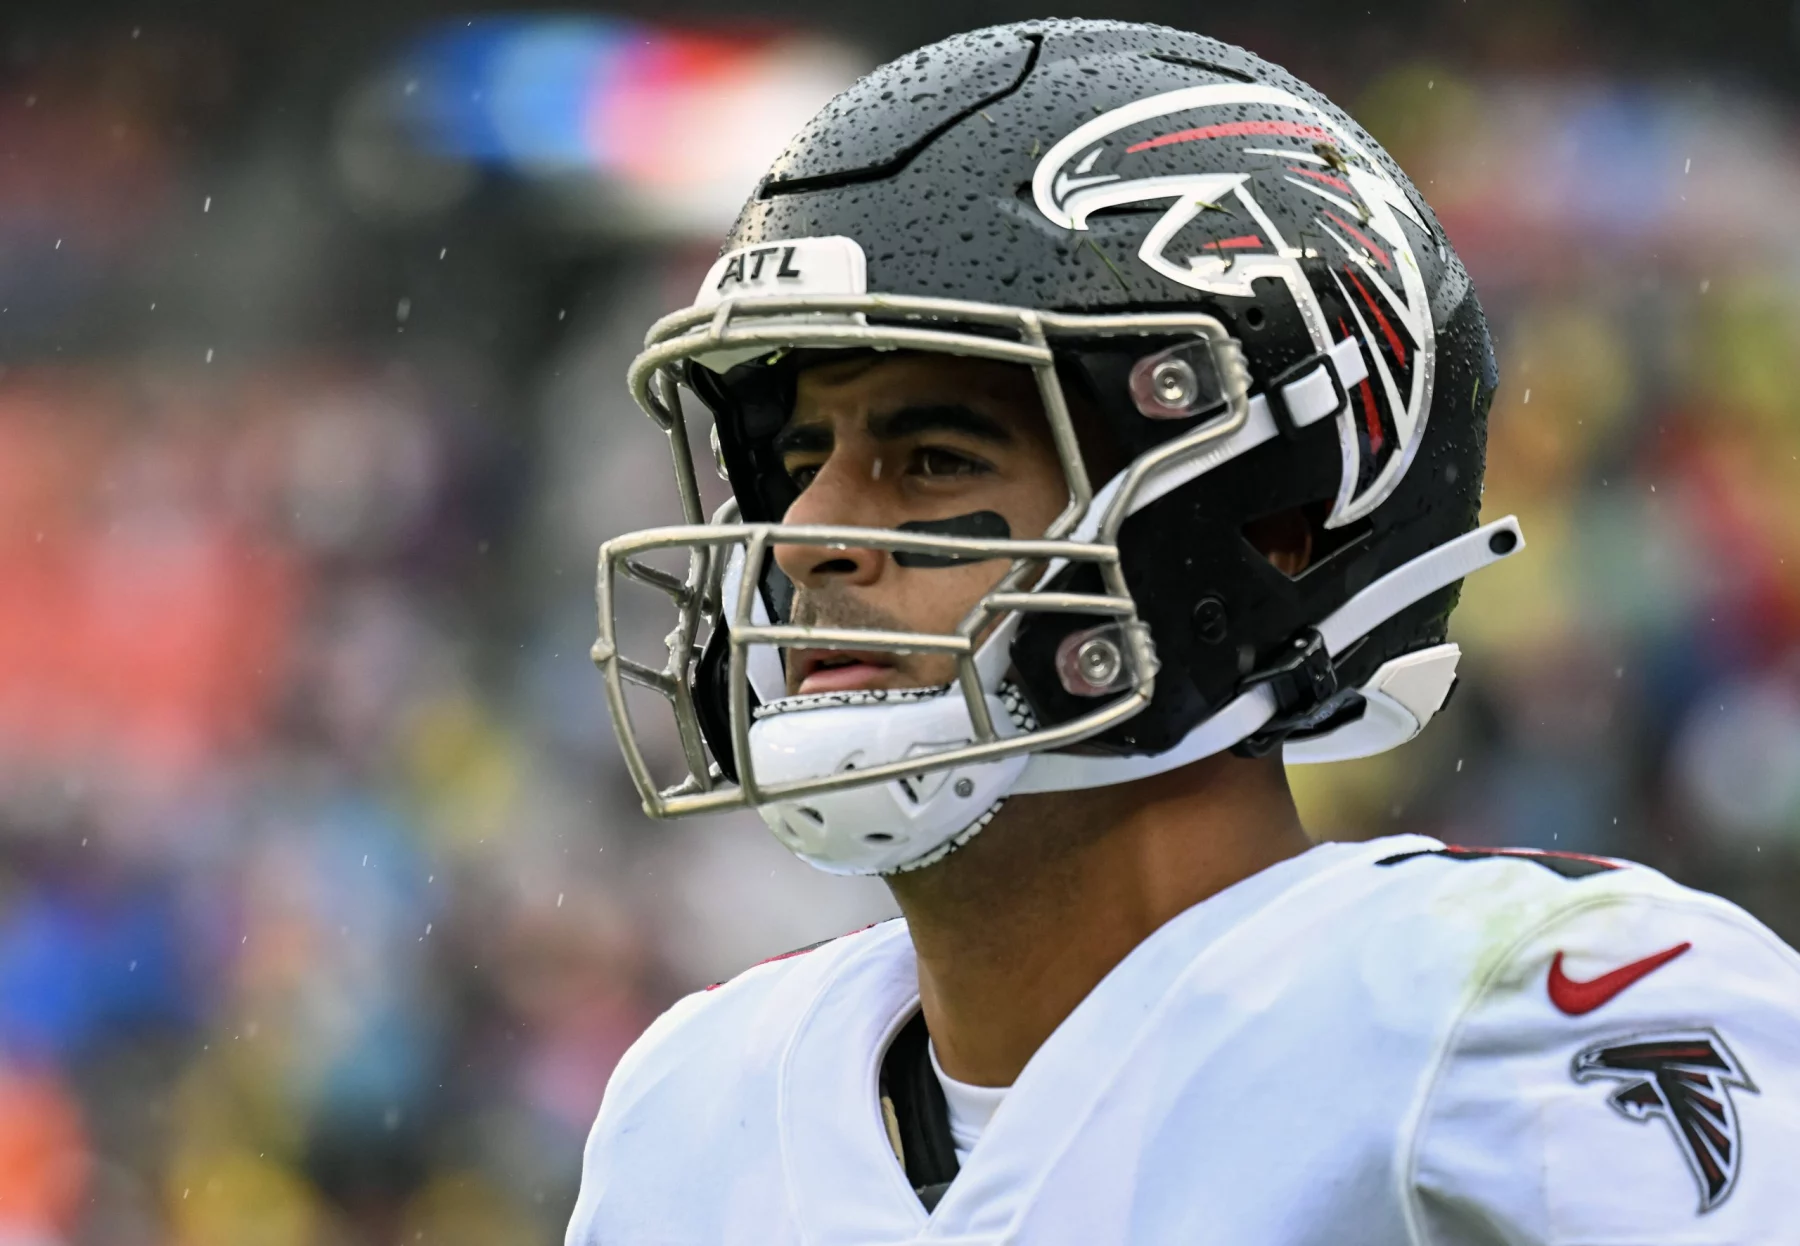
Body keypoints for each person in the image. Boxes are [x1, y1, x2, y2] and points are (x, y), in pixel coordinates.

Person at [570, 18, 1800, 1244]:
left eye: (932, 459)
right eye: (797, 462)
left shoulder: (1520, 1016)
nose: (803, 541)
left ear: (1272, 521)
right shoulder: (692, 1106)